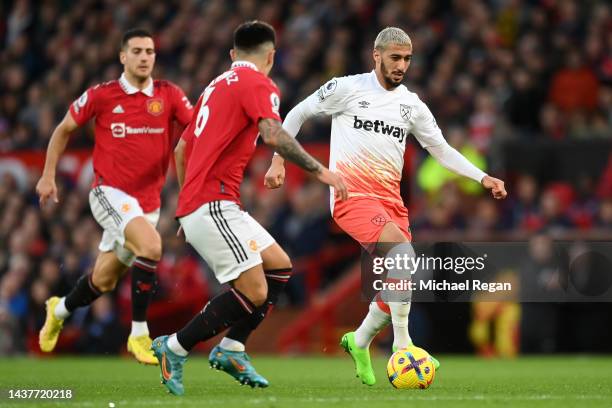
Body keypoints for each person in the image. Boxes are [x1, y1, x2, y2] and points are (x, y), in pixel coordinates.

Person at [264, 27, 507, 385]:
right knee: (403, 254)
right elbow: (297, 113)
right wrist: (278, 160)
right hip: (351, 196)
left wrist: (481, 177)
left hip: (391, 202)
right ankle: (403, 345)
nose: (402, 65)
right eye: (395, 57)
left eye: (407, 59)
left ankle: (359, 340)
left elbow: (439, 149)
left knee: (400, 275)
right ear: (376, 56)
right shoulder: (346, 89)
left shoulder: (411, 104)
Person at [151, 20, 347, 396]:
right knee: (255, 290)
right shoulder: (258, 84)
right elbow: (273, 132)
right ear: (271, 56)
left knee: (280, 266)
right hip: (213, 203)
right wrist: (320, 171)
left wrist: (185, 202)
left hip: (211, 203)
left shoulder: (213, 87)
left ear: (232, 55)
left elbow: (180, 149)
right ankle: (174, 347)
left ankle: (233, 347)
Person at [36, 28, 193, 365]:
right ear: (123, 56)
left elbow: (196, 133)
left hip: (147, 205)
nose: (143, 57)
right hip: (108, 193)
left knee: (103, 280)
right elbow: (63, 129)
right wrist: (48, 175)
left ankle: (58, 309)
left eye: (149, 51)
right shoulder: (102, 95)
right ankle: (139, 335)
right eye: (136, 51)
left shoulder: (170, 95)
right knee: (151, 247)